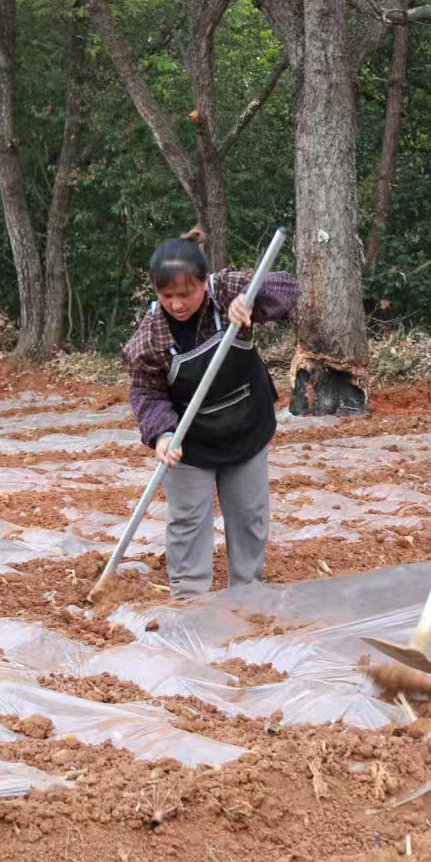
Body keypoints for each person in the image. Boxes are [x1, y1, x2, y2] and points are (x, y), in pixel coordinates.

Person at [121, 229, 299, 599]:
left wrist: (252, 301)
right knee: (187, 519)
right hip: (190, 441)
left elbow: (286, 289)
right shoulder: (149, 338)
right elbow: (146, 392)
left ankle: (248, 593)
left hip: (245, 426)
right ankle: (190, 600)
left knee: (249, 514)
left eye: (185, 293)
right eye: (166, 295)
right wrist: (162, 434)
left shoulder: (227, 289)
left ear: (204, 281)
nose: (177, 304)